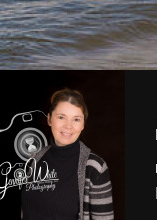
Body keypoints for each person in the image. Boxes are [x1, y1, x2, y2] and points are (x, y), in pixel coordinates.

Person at [21, 88, 114, 220]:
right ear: (49, 119)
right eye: (61, 117)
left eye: (76, 119)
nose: (68, 126)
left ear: (83, 124)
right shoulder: (35, 158)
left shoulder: (95, 168)